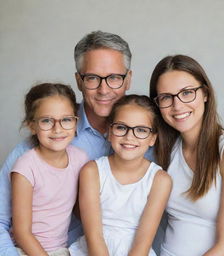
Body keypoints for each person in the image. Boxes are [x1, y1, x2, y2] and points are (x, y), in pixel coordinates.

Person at [0, 31, 132, 256]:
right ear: (79, 81)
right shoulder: (32, 152)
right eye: (92, 78)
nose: (104, 89)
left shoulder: (145, 137)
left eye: (114, 77)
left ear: (128, 79)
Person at [149, 54, 224, 255]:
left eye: (187, 93)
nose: (177, 105)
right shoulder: (164, 150)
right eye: (166, 97)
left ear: (205, 93)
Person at [69, 94, 172, 256]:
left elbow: (143, 242)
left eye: (141, 130)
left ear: (152, 138)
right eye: (121, 127)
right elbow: (94, 236)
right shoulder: (92, 172)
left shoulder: (160, 180)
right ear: (110, 132)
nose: (129, 136)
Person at [11, 83, 89, 256]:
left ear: (76, 122)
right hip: (25, 250)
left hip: (60, 249)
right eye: (47, 120)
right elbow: (21, 233)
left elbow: (81, 207)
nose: (58, 129)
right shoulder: (25, 167)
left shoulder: (80, 159)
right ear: (32, 126)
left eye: (66, 119)